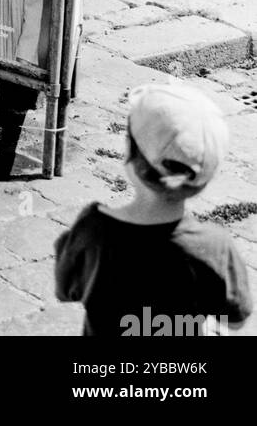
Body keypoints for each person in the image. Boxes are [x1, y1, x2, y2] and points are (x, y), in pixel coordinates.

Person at [54, 80, 251, 337]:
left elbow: (66, 290)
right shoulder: (216, 246)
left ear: (129, 153)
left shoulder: (93, 229)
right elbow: (235, 320)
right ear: (200, 182)